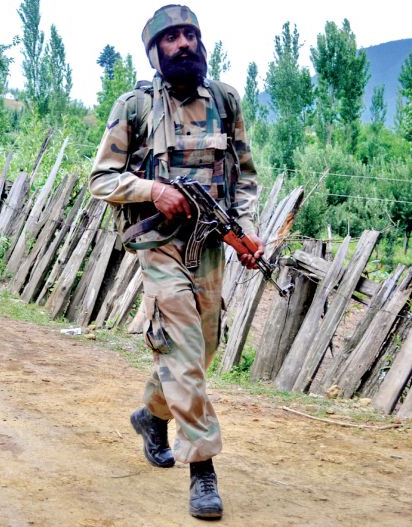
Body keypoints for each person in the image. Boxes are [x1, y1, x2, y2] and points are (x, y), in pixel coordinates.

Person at [88, 4, 262, 520]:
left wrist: (245, 234)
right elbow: (100, 179)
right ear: (156, 52)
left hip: (209, 247)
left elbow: (245, 178)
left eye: (191, 35)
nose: (184, 44)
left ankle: (150, 415)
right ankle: (202, 470)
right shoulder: (135, 107)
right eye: (172, 38)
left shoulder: (227, 101)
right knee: (184, 352)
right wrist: (153, 189)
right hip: (160, 247)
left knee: (201, 351)